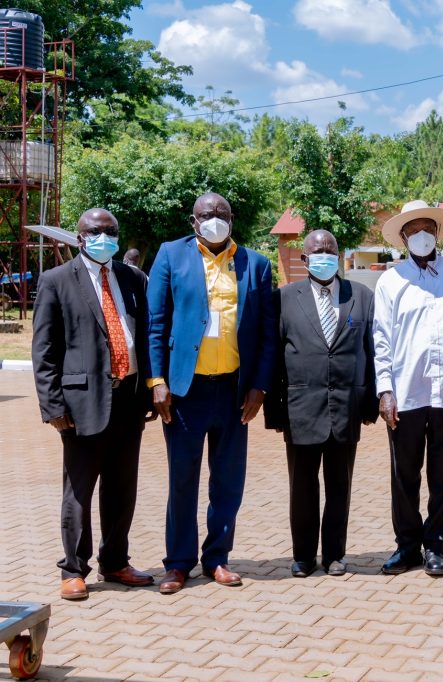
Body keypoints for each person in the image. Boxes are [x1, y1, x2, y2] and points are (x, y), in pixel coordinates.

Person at [147, 192, 277, 594]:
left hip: (235, 391)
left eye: (221, 213)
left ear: (232, 218)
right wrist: (158, 381)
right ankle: (179, 563)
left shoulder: (256, 264)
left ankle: (217, 558)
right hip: (186, 392)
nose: (214, 219)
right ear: (193, 220)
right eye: (207, 214)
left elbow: (267, 334)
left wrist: (259, 386)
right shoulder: (171, 255)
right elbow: (155, 324)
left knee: (228, 482)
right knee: (182, 479)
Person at [32, 208, 154, 601]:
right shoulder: (56, 281)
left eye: (111, 231)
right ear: (80, 237)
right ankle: (73, 568)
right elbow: (44, 349)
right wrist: (52, 406)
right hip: (80, 405)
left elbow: (145, 334)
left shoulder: (133, 278)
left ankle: (116, 560)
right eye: (95, 231)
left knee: (122, 489)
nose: (104, 238)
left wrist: (151, 388)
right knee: (79, 492)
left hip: (128, 400)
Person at [264, 230, 377, 578]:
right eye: (317, 251)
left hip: (346, 407)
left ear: (340, 256)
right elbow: (273, 358)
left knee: (339, 486)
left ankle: (335, 555)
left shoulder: (360, 296)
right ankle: (302, 555)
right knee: (302, 487)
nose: (324, 255)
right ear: (304, 258)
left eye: (331, 250)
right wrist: (275, 412)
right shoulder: (283, 298)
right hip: (300, 408)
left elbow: (371, 353)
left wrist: (370, 403)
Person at [373, 200, 443, 577]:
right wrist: (385, 390)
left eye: (426, 228)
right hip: (406, 391)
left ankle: (436, 545)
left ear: (437, 232)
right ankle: (407, 546)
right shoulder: (390, 281)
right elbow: (381, 339)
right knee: (404, 474)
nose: (420, 235)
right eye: (412, 230)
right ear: (402, 237)